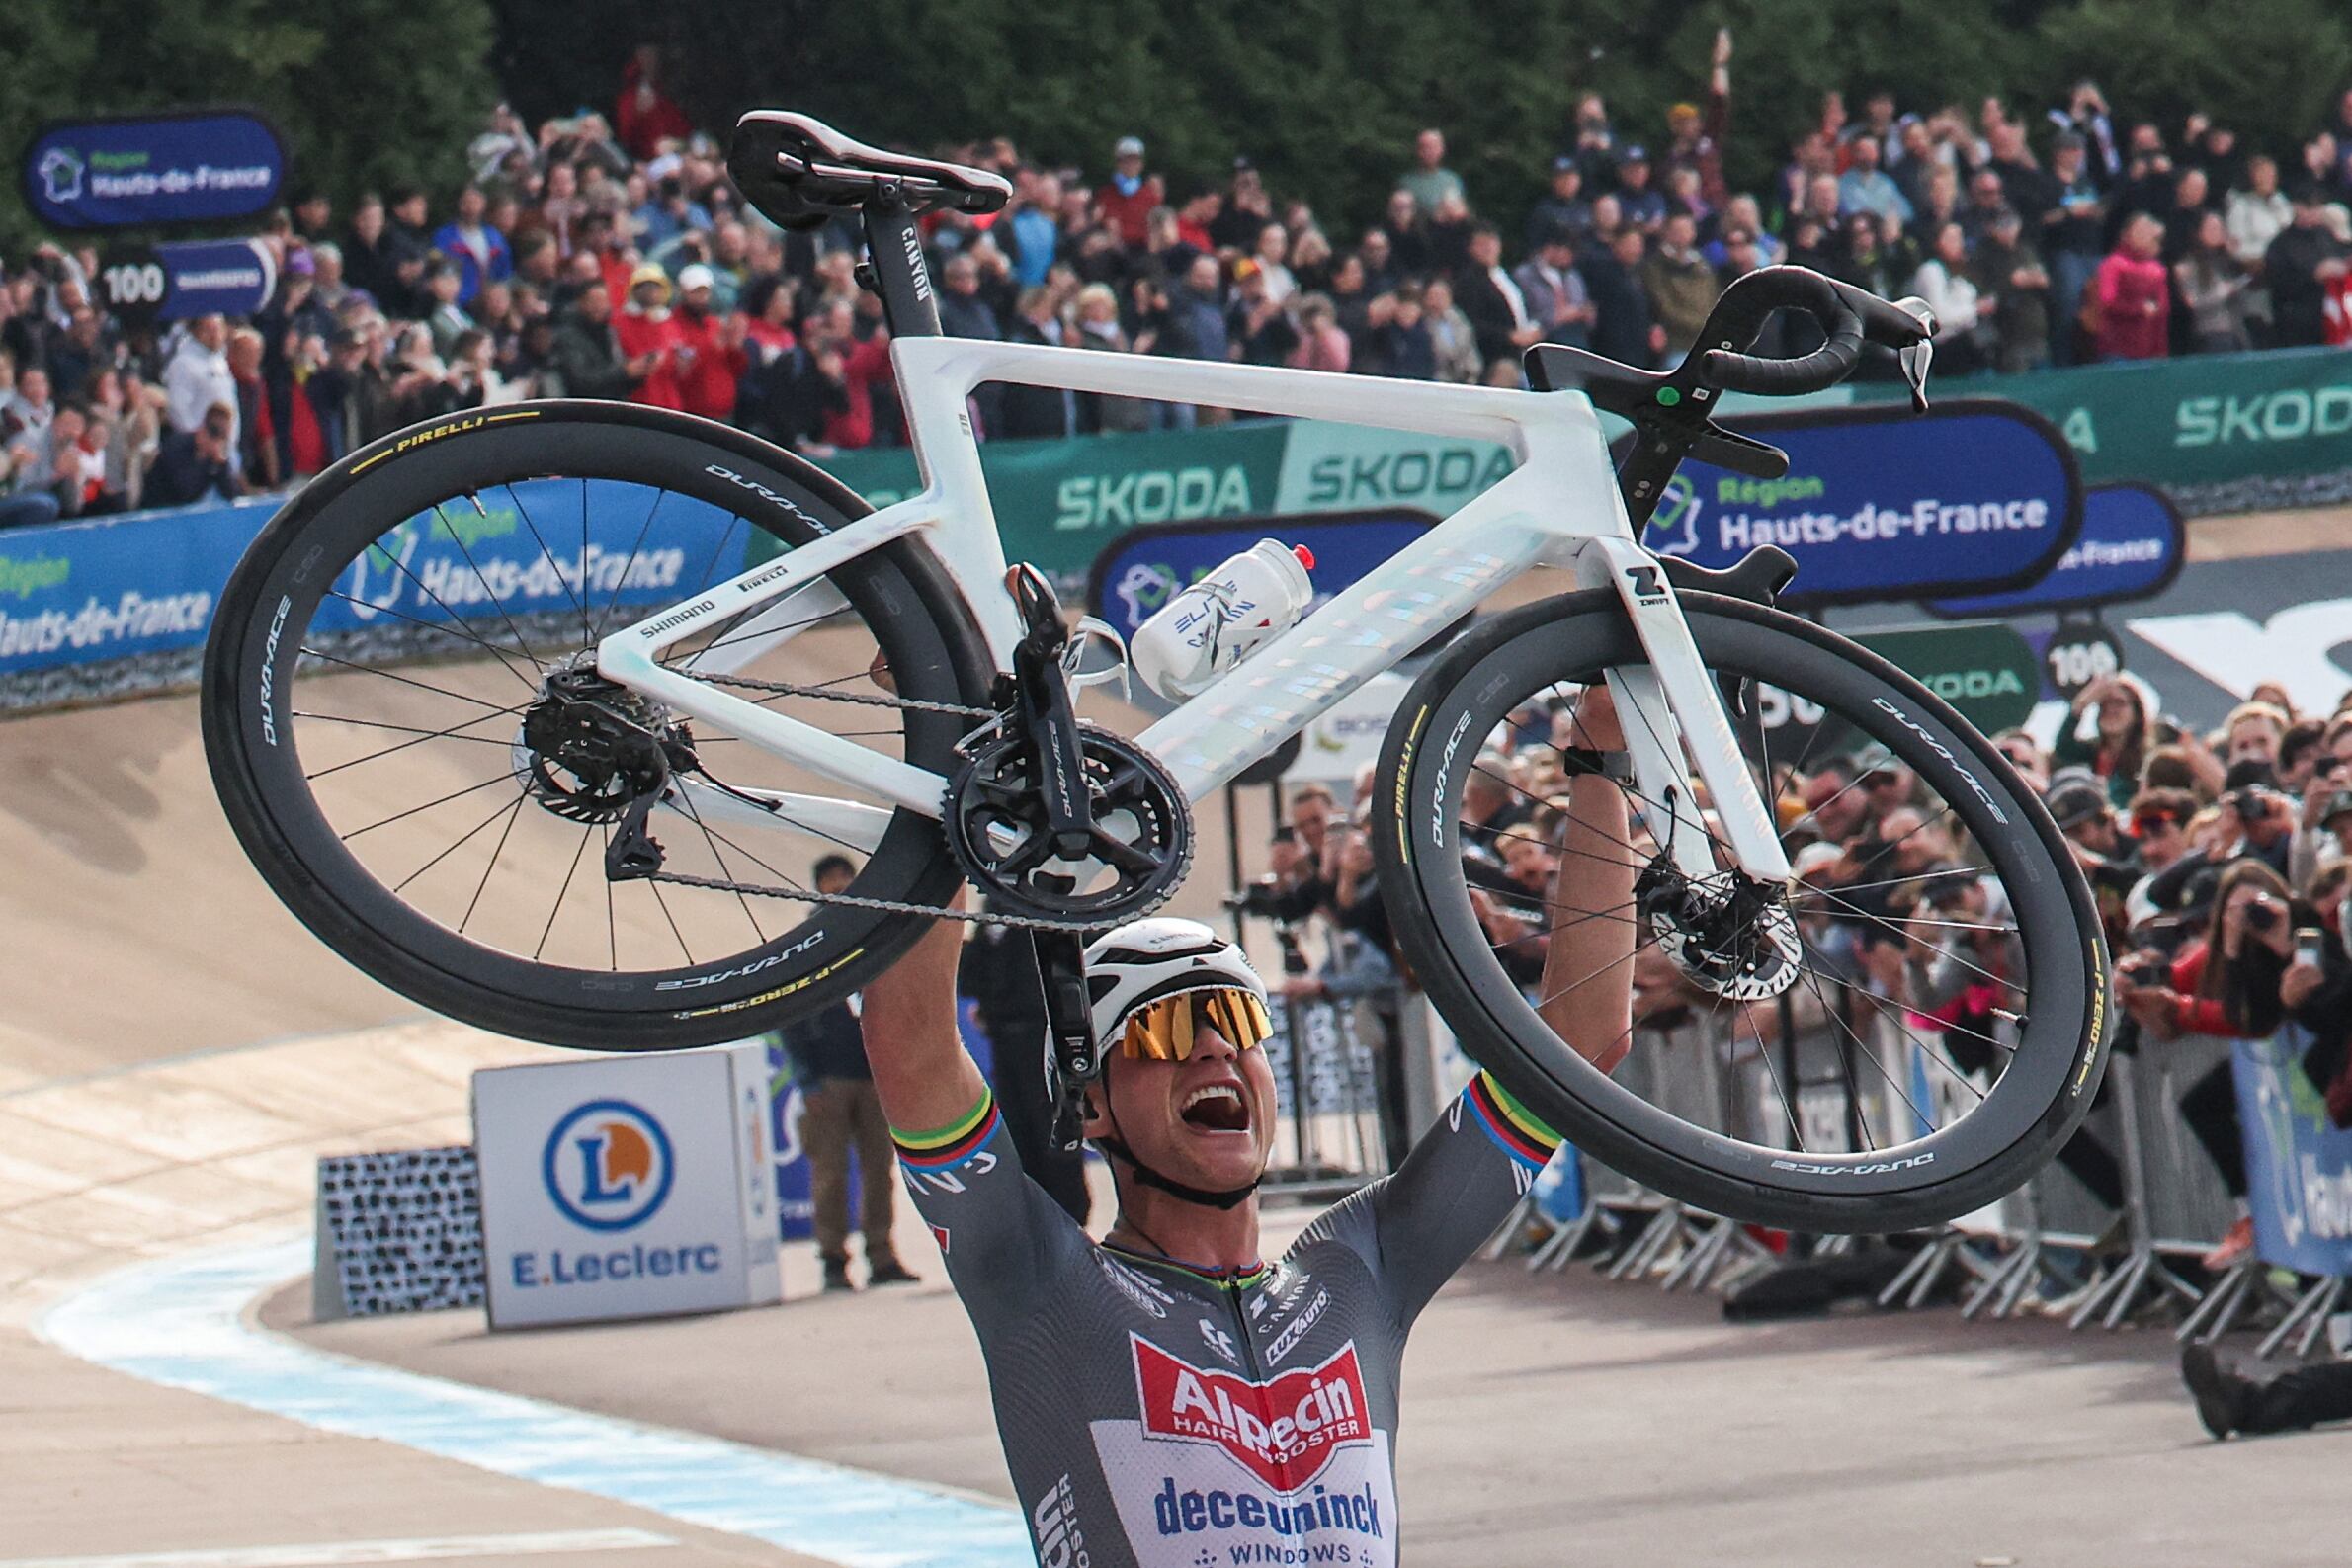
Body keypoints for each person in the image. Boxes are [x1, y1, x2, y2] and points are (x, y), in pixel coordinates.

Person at [856, 690, 1632, 1568]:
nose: (1217, 1053)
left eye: (1240, 1026)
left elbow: (1580, 1041)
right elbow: (911, 1046)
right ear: (1090, 1106)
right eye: (1167, 1033)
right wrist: (954, 754)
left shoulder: (1360, 1265)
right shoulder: (1041, 1277)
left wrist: (1601, 762)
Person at [781, 855, 920, 1293]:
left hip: (876, 1074)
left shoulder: (875, 934)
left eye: (847, 879)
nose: (840, 887)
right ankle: (832, 1260)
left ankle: (881, 1255)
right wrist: (807, 1079)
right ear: (818, 886)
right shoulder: (806, 941)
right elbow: (791, 1014)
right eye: (831, 880)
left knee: (880, 1169)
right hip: (830, 1078)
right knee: (831, 1171)